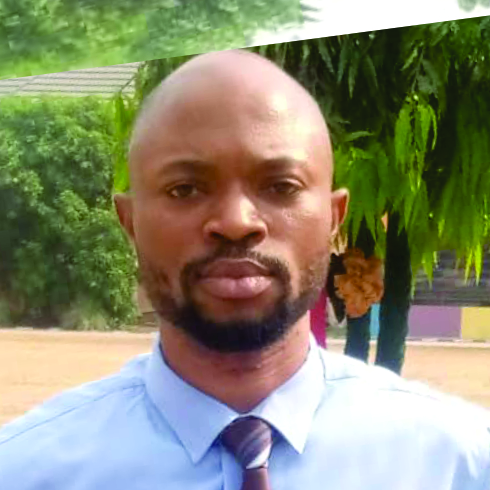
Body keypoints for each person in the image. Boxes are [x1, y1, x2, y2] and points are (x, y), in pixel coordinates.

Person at [0, 50, 489, 490]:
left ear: (333, 218)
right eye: (185, 189)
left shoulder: (458, 466)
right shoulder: (25, 472)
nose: (236, 222)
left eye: (281, 186)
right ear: (130, 222)